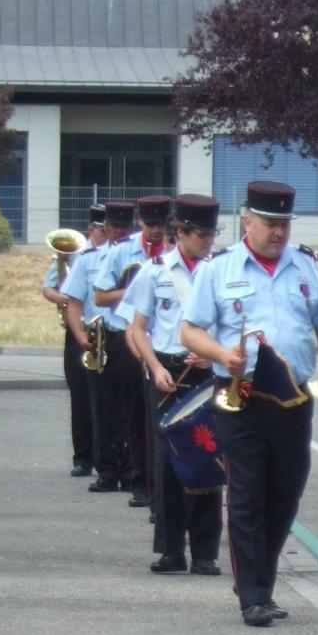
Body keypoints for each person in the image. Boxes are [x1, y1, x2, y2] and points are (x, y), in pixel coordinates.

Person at [181, 181, 318, 628]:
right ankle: (254, 594)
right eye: (271, 224)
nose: (278, 233)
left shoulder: (306, 267)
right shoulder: (219, 269)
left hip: (292, 398)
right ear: (247, 222)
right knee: (248, 493)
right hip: (241, 396)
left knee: (285, 494)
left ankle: (259, 578)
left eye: (284, 225)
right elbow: (190, 330)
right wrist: (220, 354)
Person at [119, 195, 223, 576]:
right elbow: (137, 328)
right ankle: (170, 549)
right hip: (167, 370)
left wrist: (214, 354)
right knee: (168, 463)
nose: (208, 241)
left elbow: (231, 324)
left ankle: (206, 551)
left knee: (209, 459)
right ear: (181, 233)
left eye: (212, 234)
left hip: (208, 370)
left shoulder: (219, 270)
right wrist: (153, 366)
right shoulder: (155, 271)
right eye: (201, 234)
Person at [93, 195, 174, 509]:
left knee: (162, 421)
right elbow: (100, 296)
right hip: (128, 340)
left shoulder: (174, 254)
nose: (155, 231)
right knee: (136, 416)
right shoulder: (121, 252)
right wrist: (138, 292)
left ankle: (162, 488)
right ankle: (140, 482)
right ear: (140, 222)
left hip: (166, 345)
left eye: (160, 224)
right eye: (150, 224)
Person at [61, 201, 133, 493]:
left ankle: (130, 470)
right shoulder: (89, 259)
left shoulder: (139, 259)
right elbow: (74, 301)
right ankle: (106, 470)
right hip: (99, 335)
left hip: (129, 336)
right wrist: (79, 334)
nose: (117, 233)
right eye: (112, 227)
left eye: (123, 228)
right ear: (104, 229)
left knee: (130, 408)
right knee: (101, 407)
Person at [42, 205, 106, 478]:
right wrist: (67, 298)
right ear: (91, 229)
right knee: (79, 395)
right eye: (101, 229)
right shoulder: (76, 255)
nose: (106, 233)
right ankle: (82, 458)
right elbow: (48, 288)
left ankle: (108, 457)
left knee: (106, 398)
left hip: (105, 329)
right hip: (78, 327)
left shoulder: (115, 254)